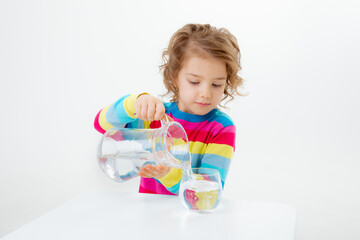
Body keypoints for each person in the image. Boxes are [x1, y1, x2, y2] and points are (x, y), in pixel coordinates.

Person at [94, 23, 243, 195]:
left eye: (216, 84)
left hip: (194, 219)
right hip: (148, 215)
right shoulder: (155, 116)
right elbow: (101, 124)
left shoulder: (221, 128)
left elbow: (209, 192)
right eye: (194, 82)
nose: (205, 94)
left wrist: (169, 174)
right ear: (174, 78)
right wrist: (134, 103)